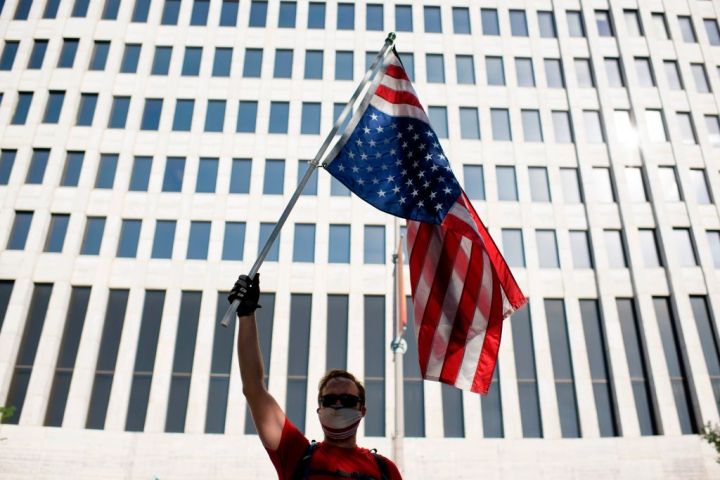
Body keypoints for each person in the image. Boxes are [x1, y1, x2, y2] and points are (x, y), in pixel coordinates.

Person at [230, 273, 403, 480]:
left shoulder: (385, 469)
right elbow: (253, 389)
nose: (338, 404)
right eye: (330, 399)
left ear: (362, 409)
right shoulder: (296, 453)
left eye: (347, 400)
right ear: (319, 408)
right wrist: (246, 315)